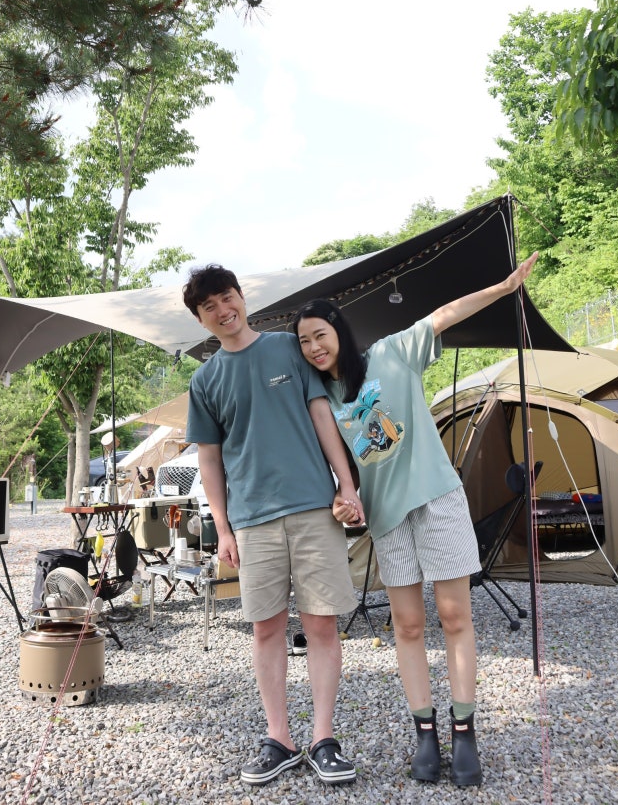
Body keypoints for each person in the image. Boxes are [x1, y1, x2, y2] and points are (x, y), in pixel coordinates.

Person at [292, 253, 539, 788]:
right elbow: (339, 471)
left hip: (436, 498)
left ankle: (464, 732)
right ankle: (425, 733)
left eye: (319, 335)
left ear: (338, 330)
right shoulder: (319, 399)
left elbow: (445, 314)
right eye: (304, 342)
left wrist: (503, 288)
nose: (313, 347)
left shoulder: (390, 353)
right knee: (406, 625)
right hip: (387, 517)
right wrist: (342, 501)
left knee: (455, 615)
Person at [182, 264, 365, 788]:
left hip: (313, 508)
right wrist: (223, 528)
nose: (223, 310)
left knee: (322, 624)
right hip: (252, 520)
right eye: (210, 306)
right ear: (201, 319)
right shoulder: (205, 380)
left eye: (227, 297)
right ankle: (279, 738)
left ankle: (324, 739)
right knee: (265, 628)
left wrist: (346, 483)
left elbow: (321, 415)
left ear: (242, 297)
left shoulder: (288, 347)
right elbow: (209, 461)